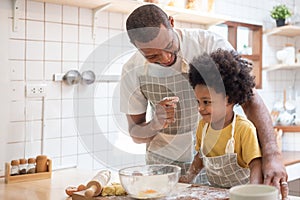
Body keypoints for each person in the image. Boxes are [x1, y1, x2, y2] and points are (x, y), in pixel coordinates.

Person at [119, 4, 288, 198]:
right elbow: (136, 132)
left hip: (218, 168)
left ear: (172, 23)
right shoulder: (132, 70)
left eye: (168, 46)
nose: (165, 58)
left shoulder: (208, 44)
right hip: (164, 170)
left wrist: (273, 155)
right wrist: (155, 124)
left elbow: (250, 100)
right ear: (137, 48)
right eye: (152, 56)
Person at [179, 49, 262, 188]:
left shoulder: (244, 129)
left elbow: (256, 164)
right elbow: (200, 157)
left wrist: (252, 191)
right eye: (198, 102)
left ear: (229, 100)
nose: (200, 108)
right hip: (216, 192)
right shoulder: (203, 126)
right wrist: (189, 177)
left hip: (241, 194)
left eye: (206, 102)